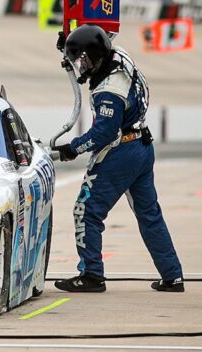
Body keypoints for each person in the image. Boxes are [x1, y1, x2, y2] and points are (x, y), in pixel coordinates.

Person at [53, 24, 184, 293]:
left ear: (95, 57)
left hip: (121, 151)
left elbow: (103, 133)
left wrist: (72, 149)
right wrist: (70, 43)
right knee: (149, 215)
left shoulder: (109, 92)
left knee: (86, 211)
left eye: (83, 61)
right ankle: (173, 276)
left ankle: (91, 275)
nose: (80, 67)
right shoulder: (118, 54)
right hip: (142, 146)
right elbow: (101, 36)